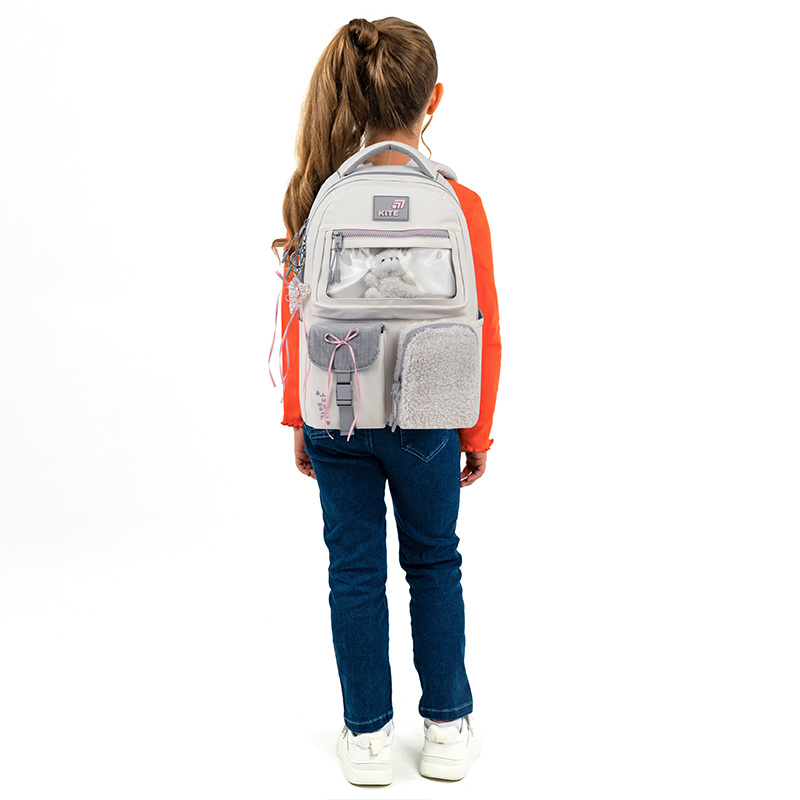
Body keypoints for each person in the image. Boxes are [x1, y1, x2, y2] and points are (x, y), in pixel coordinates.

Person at [272, 17, 501, 786]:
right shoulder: (459, 202)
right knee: (434, 562)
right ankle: (446, 729)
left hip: (336, 408)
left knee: (354, 572)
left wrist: (300, 416)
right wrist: (477, 431)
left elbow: (295, 315)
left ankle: (368, 738)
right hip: (431, 412)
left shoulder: (323, 195)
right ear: (433, 99)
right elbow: (485, 327)